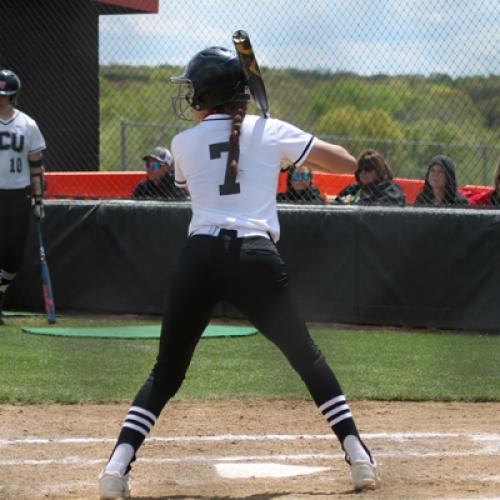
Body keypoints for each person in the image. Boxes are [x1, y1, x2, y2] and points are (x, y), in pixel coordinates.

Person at [98, 46, 380, 498]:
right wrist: (286, 146)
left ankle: (116, 468)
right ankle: (360, 458)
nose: (189, 94)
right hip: (255, 257)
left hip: (199, 258)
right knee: (306, 358)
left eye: (194, 88)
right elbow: (347, 164)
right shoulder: (272, 131)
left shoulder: (182, 143)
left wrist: (268, 143)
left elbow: (205, 180)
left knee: (166, 373)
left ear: (208, 94)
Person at [0, 69, 46, 325]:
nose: (1, 99)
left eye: (5, 95)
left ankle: (0, 292)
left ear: (14, 96)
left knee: (13, 256)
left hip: (18, 194)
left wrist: (38, 201)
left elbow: (36, 166)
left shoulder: (27, 125)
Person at [332, 149, 405, 206]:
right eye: (360, 169)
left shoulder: (389, 189)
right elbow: (334, 206)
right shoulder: (353, 189)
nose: (363, 172)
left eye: (368, 168)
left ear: (379, 170)